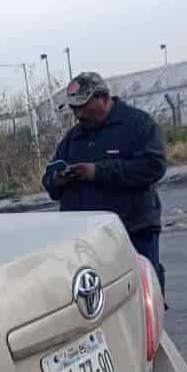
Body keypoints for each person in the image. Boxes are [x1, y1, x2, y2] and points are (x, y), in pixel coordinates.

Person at [42, 72, 168, 294]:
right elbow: (49, 183)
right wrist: (58, 180)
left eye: (83, 106)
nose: (78, 114)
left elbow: (153, 167)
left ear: (104, 97)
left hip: (132, 232)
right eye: (73, 108)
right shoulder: (73, 138)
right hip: (88, 242)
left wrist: (97, 172)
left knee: (143, 296)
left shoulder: (137, 124)